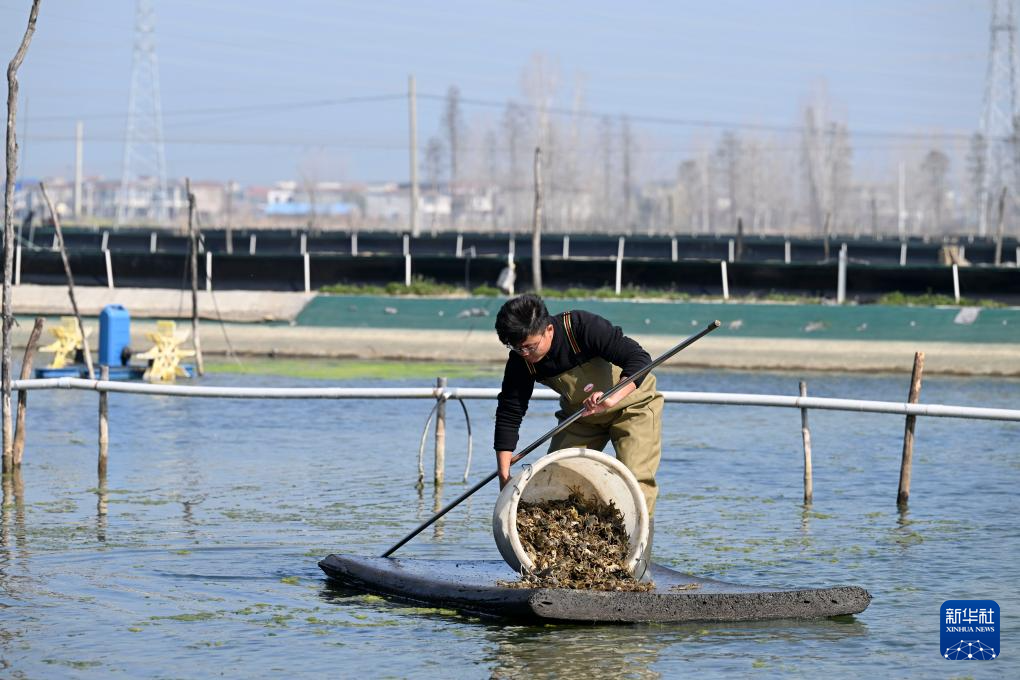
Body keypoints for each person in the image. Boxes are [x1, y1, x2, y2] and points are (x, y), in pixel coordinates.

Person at [493, 293, 663, 518]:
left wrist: (612, 397)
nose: (524, 354)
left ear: (548, 330)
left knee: (635, 478)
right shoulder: (520, 361)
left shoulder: (580, 327)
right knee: (557, 478)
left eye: (530, 347)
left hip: (632, 406)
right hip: (582, 415)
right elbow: (509, 412)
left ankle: (639, 538)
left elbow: (639, 359)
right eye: (517, 348)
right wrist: (504, 475)